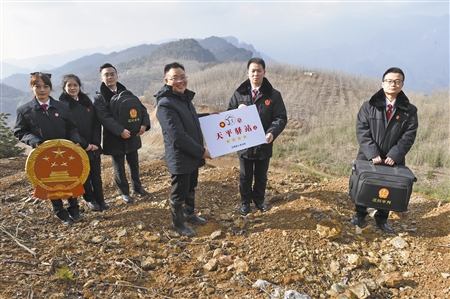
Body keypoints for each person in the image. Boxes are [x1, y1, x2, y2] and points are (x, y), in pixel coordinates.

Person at [349, 67, 418, 233]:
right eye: (389, 81)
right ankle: (360, 214)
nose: (393, 84)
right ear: (382, 83)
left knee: (389, 188)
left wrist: (394, 155)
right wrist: (372, 153)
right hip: (368, 155)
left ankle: (382, 219)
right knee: (364, 184)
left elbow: (409, 135)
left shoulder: (410, 110)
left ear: (402, 84)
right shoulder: (369, 106)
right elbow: (362, 130)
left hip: (393, 158)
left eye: (397, 81)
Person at [14, 72, 83, 225]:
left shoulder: (62, 107)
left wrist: (75, 140)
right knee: (50, 183)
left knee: (70, 179)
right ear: (32, 88)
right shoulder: (25, 111)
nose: (42, 90)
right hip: (44, 155)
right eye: (37, 86)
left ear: (50, 88)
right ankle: (61, 213)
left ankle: (75, 210)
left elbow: (72, 127)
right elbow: (20, 132)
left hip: (66, 153)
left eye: (45, 86)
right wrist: (34, 140)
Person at [154, 62, 212, 237]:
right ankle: (178, 223)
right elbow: (178, 136)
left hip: (192, 153)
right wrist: (202, 151)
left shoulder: (183, 98)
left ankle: (189, 213)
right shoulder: (165, 105)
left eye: (183, 77)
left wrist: (213, 117)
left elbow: (191, 118)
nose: (180, 81)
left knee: (191, 185)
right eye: (175, 78)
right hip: (180, 156)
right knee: (179, 191)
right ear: (166, 80)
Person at [228, 58, 287, 216]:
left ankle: (259, 200)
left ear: (264, 72)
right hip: (244, 144)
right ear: (247, 73)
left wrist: (272, 132)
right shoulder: (239, 94)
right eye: (252, 71)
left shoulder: (274, 95)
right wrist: (236, 113)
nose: (256, 74)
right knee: (245, 176)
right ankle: (245, 202)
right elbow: (228, 117)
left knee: (261, 175)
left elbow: (280, 117)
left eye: (259, 70)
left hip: (263, 143)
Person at [94, 63, 150, 203]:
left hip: (132, 135)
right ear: (101, 78)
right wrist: (120, 131)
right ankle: (124, 192)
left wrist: (144, 124)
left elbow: (141, 109)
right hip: (114, 137)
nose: (110, 77)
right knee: (119, 166)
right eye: (106, 75)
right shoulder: (99, 98)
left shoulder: (127, 93)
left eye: (112, 74)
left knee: (134, 163)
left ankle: (137, 188)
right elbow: (104, 117)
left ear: (117, 76)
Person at [59, 74, 110, 212]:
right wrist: (84, 144)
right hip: (76, 146)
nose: (73, 88)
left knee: (96, 174)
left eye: (75, 85)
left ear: (79, 86)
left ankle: (101, 199)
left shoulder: (87, 102)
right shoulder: (62, 106)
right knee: (84, 175)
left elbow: (95, 123)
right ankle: (90, 199)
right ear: (64, 87)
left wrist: (95, 143)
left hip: (93, 145)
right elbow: (68, 129)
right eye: (69, 85)